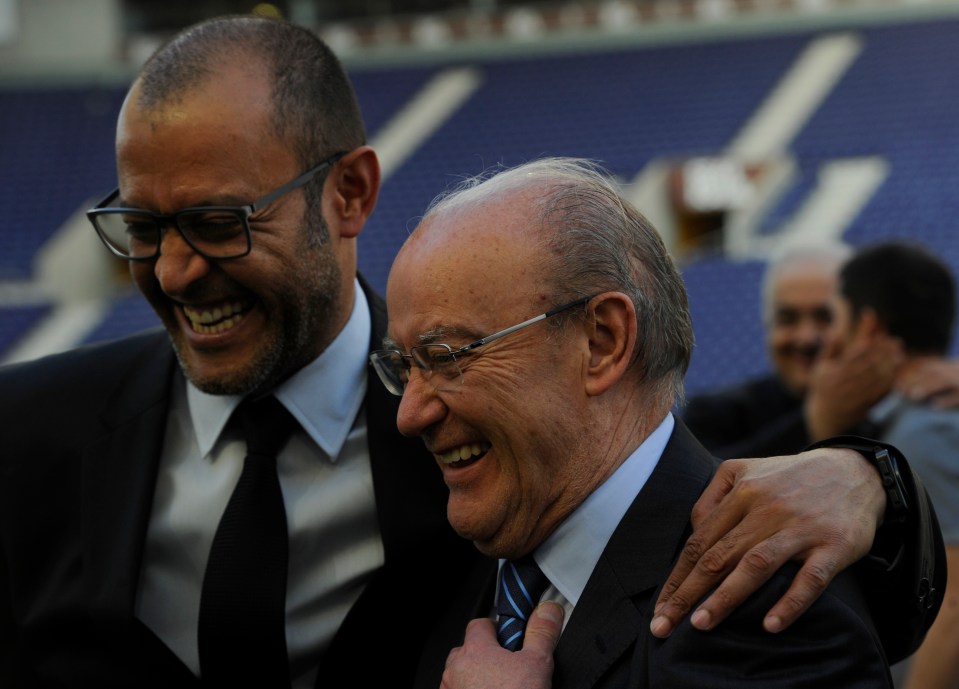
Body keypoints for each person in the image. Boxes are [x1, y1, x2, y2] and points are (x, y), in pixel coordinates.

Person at [0, 15, 943, 689]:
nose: (171, 270)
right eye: (139, 226)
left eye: (218, 221)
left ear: (349, 195)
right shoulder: (31, 430)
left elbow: (668, 453)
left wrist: (872, 482)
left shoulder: (511, 474)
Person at [368, 157, 942, 688]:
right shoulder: (447, 560)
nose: (409, 413)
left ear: (602, 342)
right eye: (402, 366)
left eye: (446, 356)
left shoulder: (767, 606)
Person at [682, 240, 959, 459]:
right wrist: (813, 425)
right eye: (788, 319)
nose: (806, 338)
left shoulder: (920, 404)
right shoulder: (714, 415)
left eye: (825, 317)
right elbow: (702, 502)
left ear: (863, 326)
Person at [829, 240, 959, 689]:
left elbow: (955, 604)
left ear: (865, 326)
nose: (830, 340)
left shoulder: (923, 433)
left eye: (835, 319)